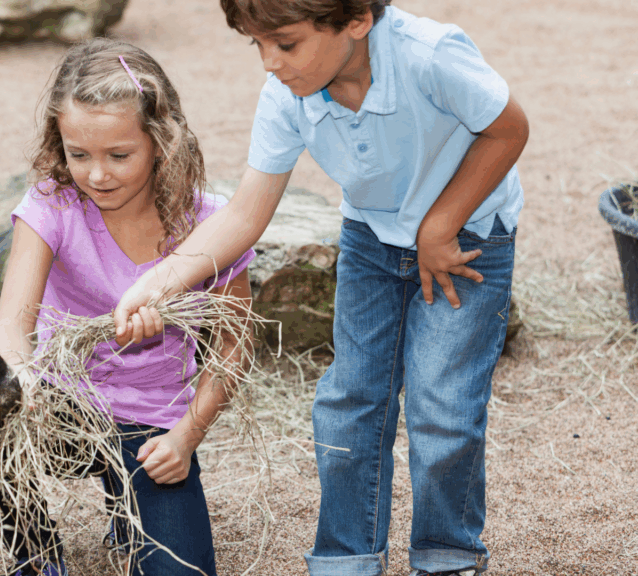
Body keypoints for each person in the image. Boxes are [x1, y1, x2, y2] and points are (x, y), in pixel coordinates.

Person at [111, 1, 529, 575]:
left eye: (284, 44)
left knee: (442, 408)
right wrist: (156, 283)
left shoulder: (429, 56)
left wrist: (439, 224)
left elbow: (509, 128)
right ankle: (347, 558)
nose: (269, 63)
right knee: (348, 402)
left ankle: (447, 554)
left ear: (356, 19)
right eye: (256, 45)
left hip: (467, 241)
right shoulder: (287, 95)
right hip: (371, 239)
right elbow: (244, 214)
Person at [0, 37, 257, 576]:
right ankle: (35, 551)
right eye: (79, 154)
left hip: (154, 423)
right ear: (60, 143)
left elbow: (235, 346)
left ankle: (129, 498)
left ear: (162, 142)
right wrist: (20, 381)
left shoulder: (211, 223)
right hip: (61, 403)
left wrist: (186, 437)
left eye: (119, 155)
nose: (97, 174)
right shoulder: (52, 207)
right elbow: (10, 328)